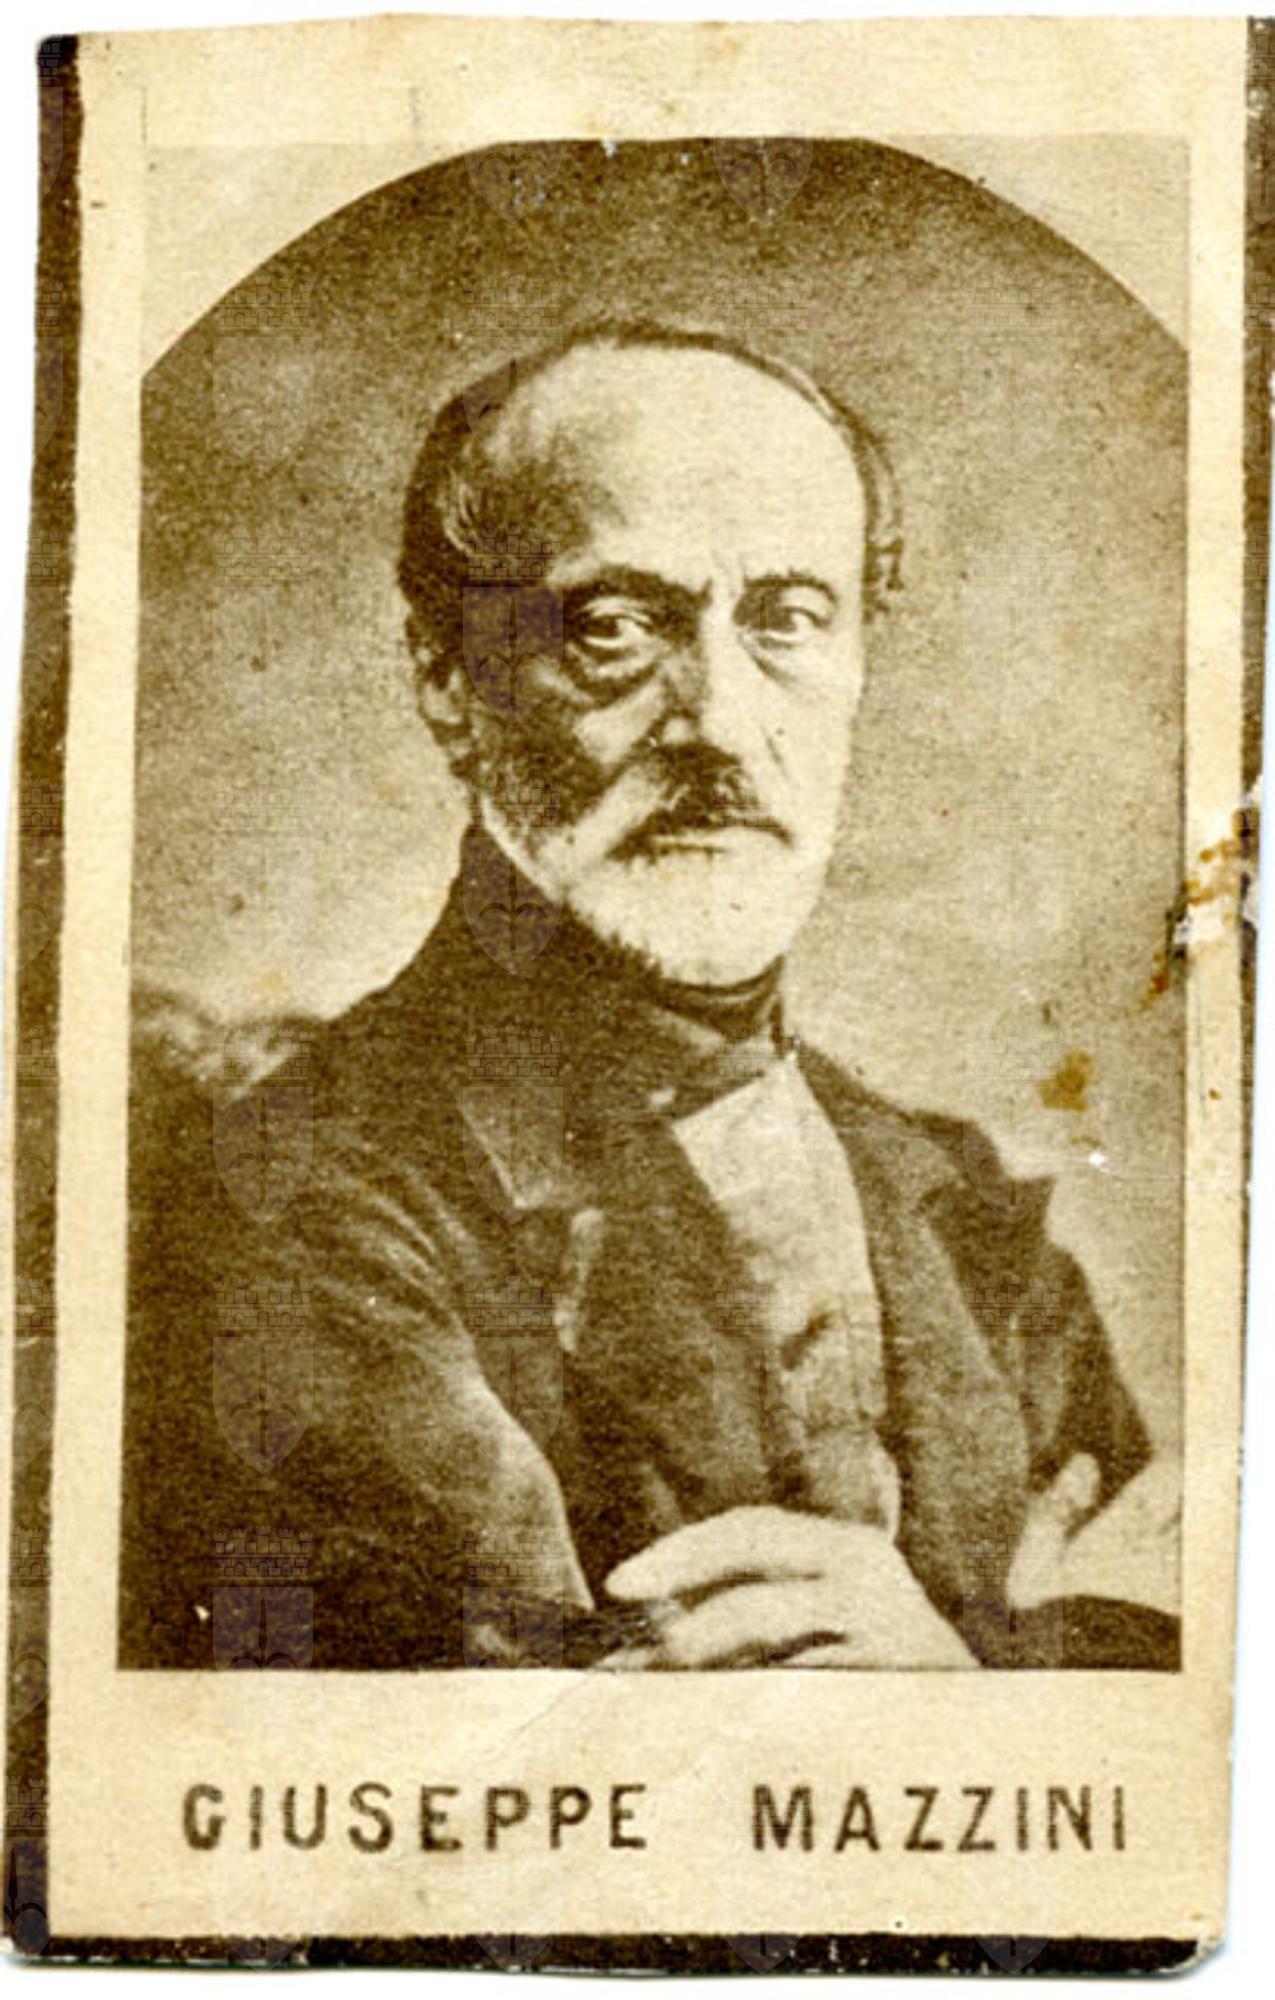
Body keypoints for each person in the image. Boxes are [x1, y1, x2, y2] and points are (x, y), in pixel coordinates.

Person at [122, 320, 1178, 1671]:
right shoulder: (296, 1194)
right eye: (614, 627)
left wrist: (974, 1683)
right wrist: (999, 1670)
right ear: (448, 680)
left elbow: (1154, 1693)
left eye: (788, 620)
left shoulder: (962, 1210)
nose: (721, 724)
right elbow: (537, 1745)